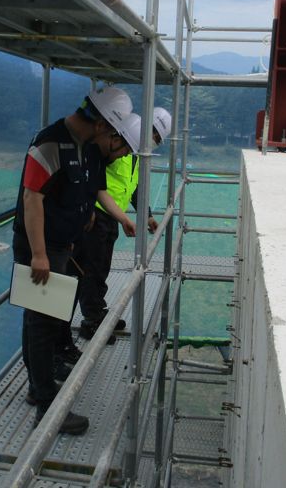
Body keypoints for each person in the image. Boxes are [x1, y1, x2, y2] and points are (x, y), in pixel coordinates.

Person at [12, 86, 137, 435]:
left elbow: (95, 190)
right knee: (41, 322)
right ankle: (46, 408)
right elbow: (32, 198)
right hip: (41, 246)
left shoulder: (88, 149)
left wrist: (119, 218)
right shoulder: (49, 144)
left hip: (62, 244)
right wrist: (39, 254)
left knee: (44, 321)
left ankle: (40, 388)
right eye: (115, 134)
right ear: (102, 126)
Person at [74, 107, 172, 342]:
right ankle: (91, 320)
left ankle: (98, 311)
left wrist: (146, 215)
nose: (154, 141)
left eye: (158, 140)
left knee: (102, 267)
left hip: (113, 216)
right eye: (154, 135)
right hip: (96, 214)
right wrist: (122, 217)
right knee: (92, 269)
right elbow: (93, 182)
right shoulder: (115, 143)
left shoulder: (135, 153)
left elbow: (133, 187)